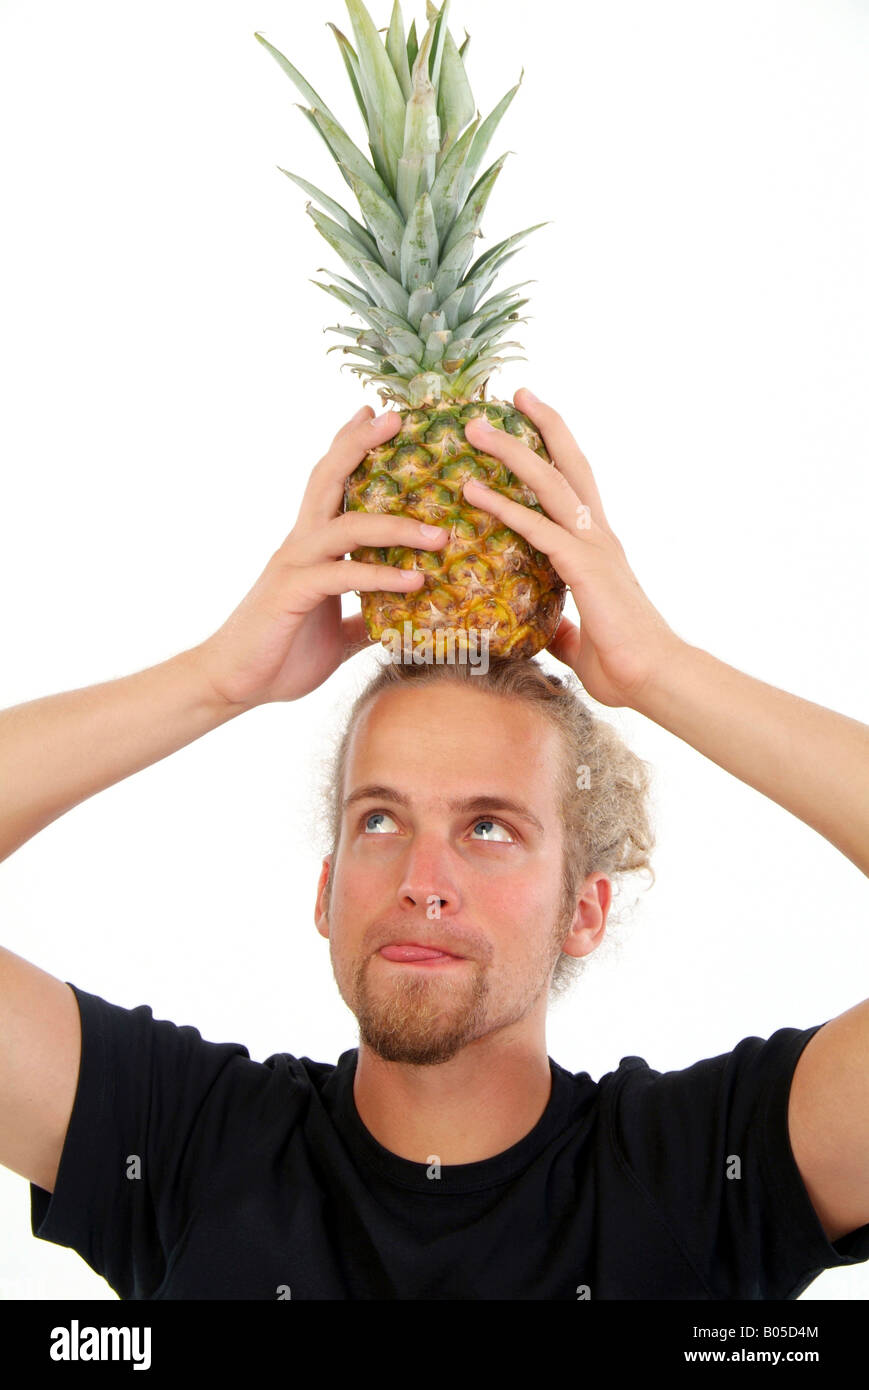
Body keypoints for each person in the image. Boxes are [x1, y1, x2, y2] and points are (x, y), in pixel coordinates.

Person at [1, 389, 867, 1300]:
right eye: (380, 819)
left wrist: (663, 673)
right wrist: (217, 681)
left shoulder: (706, 1175)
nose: (423, 881)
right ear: (326, 888)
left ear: (584, 909)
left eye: (488, 827)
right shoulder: (183, 1147)